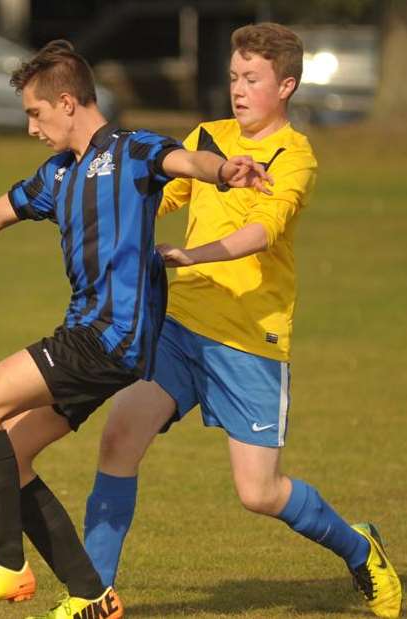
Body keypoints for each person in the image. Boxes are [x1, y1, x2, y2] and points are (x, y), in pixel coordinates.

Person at [0, 39, 270, 619]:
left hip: (107, 338)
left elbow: (189, 162)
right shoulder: (58, 174)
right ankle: (91, 594)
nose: (31, 126)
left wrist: (227, 170)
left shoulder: (132, 150)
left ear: (67, 101)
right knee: (12, 451)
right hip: (93, 338)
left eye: (35, 113)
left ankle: (6, 564)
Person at [81, 22, 402, 619]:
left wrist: (192, 255)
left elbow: (261, 233)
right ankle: (91, 597)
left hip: (251, 338)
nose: (238, 88)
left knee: (259, 493)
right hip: (182, 325)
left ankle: (361, 551)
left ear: (286, 85)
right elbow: (160, 193)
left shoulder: (295, 157)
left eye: (252, 79)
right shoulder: (209, 136)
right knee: (119, 438)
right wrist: (100, 197)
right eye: (233, 76)